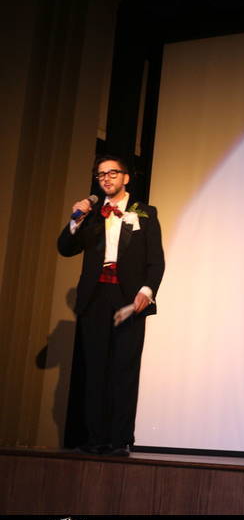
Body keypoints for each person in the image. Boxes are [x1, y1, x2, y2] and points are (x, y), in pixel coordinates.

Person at [58, 155, 165, 457]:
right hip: (95, 298)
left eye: (112, 173)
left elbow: (156, 260)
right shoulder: (91, 215)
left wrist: (146, 291)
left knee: (124, 369)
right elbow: (65, 248)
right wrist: (76, 219)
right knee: (95, 370)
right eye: (101, 174)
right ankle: (95, 438)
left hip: (129, 298)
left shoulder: (145, 213)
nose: (106, 178)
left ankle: (119, 439)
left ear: (126, 178)